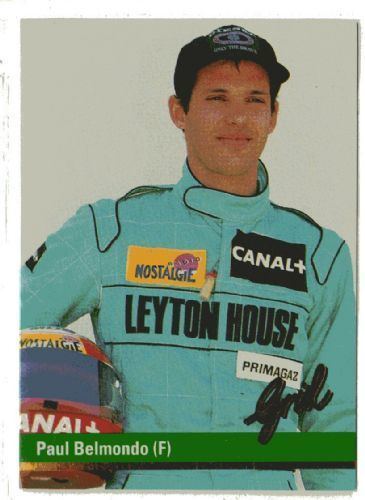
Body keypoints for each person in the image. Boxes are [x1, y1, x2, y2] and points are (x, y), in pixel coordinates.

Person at [21, 24, 356, 491]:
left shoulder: (320, 256)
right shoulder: (111, 230)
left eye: (254, 100)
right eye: (217, 98)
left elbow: (338, 426)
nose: (237, 119)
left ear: (275, 115)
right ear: (179, 111)